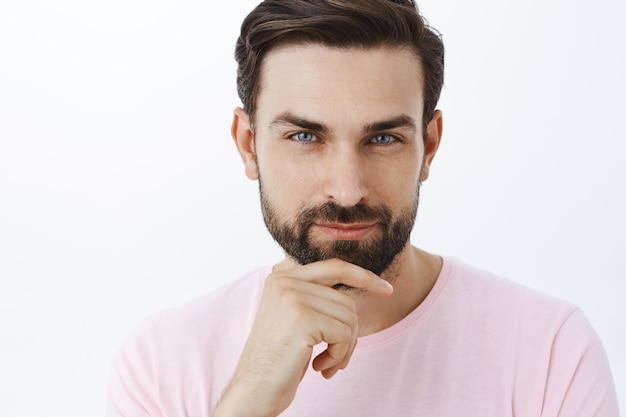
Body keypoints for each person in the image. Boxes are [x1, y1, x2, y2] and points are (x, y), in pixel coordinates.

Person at [106, 1, 620, 416]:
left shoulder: (549, 350)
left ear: (429, 146)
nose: (347, 190)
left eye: (383, 138)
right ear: (247, 144)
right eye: (305, 136)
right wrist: (249, 398)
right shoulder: (161, 360)